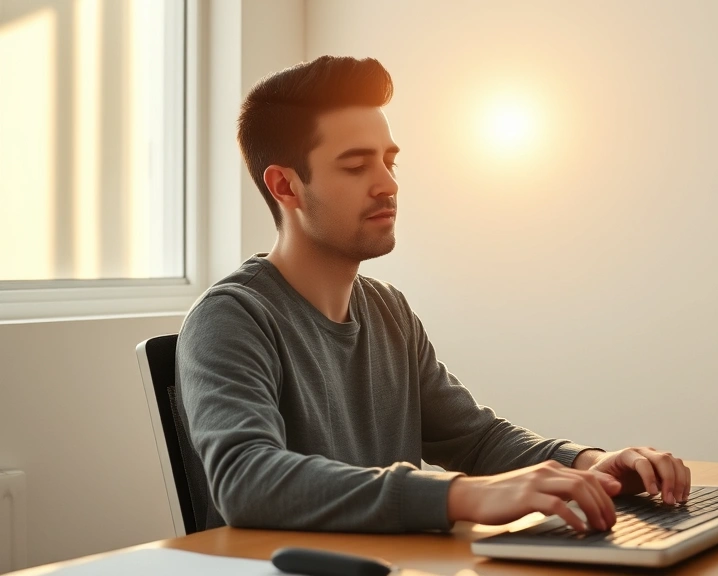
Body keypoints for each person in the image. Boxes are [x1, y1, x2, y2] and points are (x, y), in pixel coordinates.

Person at [177, 56, 690, 534]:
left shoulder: (389, 311)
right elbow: (245, 480)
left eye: (389, 162)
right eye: (356, 166)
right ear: (285, 187)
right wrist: (460, 496)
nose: (387, 184)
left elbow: (476, 438)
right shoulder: (231, 318)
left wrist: (591, 464)